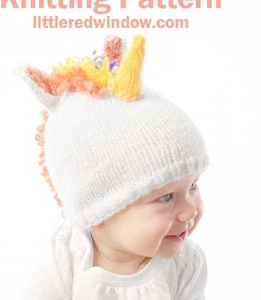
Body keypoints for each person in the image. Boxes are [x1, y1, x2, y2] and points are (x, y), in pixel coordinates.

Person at [19, 34, 209, 299]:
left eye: (193, 186)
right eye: (165, 197)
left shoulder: (186, 264)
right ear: (99, 212)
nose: (189, 212)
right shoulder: (64, 256)